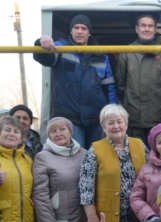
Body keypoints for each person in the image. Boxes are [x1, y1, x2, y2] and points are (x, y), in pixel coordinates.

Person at [33, 14, 117, 149]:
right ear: (71, 31)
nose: (79, 31)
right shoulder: (61, 47)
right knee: (76, 156)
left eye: (84, 28)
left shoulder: (101, 55)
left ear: (89, 33)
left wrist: (112, 111)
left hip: (96, 118)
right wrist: (41, 42)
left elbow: (109, 87)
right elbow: (44, 58)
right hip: (70, 118)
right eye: (76, 28)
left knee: (95, 156)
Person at [116, 13, 161, 146]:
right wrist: (129, 103)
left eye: (150, 26)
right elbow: (120, 84)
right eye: (143, 25)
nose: (147, 29)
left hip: (160, 117)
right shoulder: (126, 52)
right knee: (137, 159)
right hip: (134, 118)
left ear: (155, 29)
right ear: (137, 29)